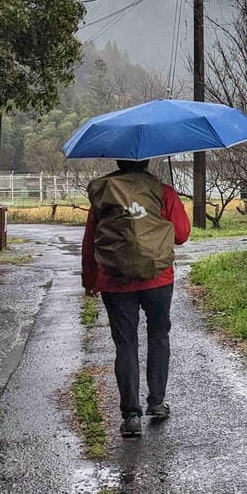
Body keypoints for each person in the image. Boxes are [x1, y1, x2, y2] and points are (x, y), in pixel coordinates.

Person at [82, 159, 190, 438]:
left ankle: (131, 416)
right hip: (158, 278)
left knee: (125, 344)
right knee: (158, 336)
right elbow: (181, 235)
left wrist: (90, 278)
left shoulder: (105, 191)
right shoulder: (162, 191)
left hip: (114, 280)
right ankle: (156, 403)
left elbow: (91, 239)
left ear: (118, 161)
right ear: (147, 160)